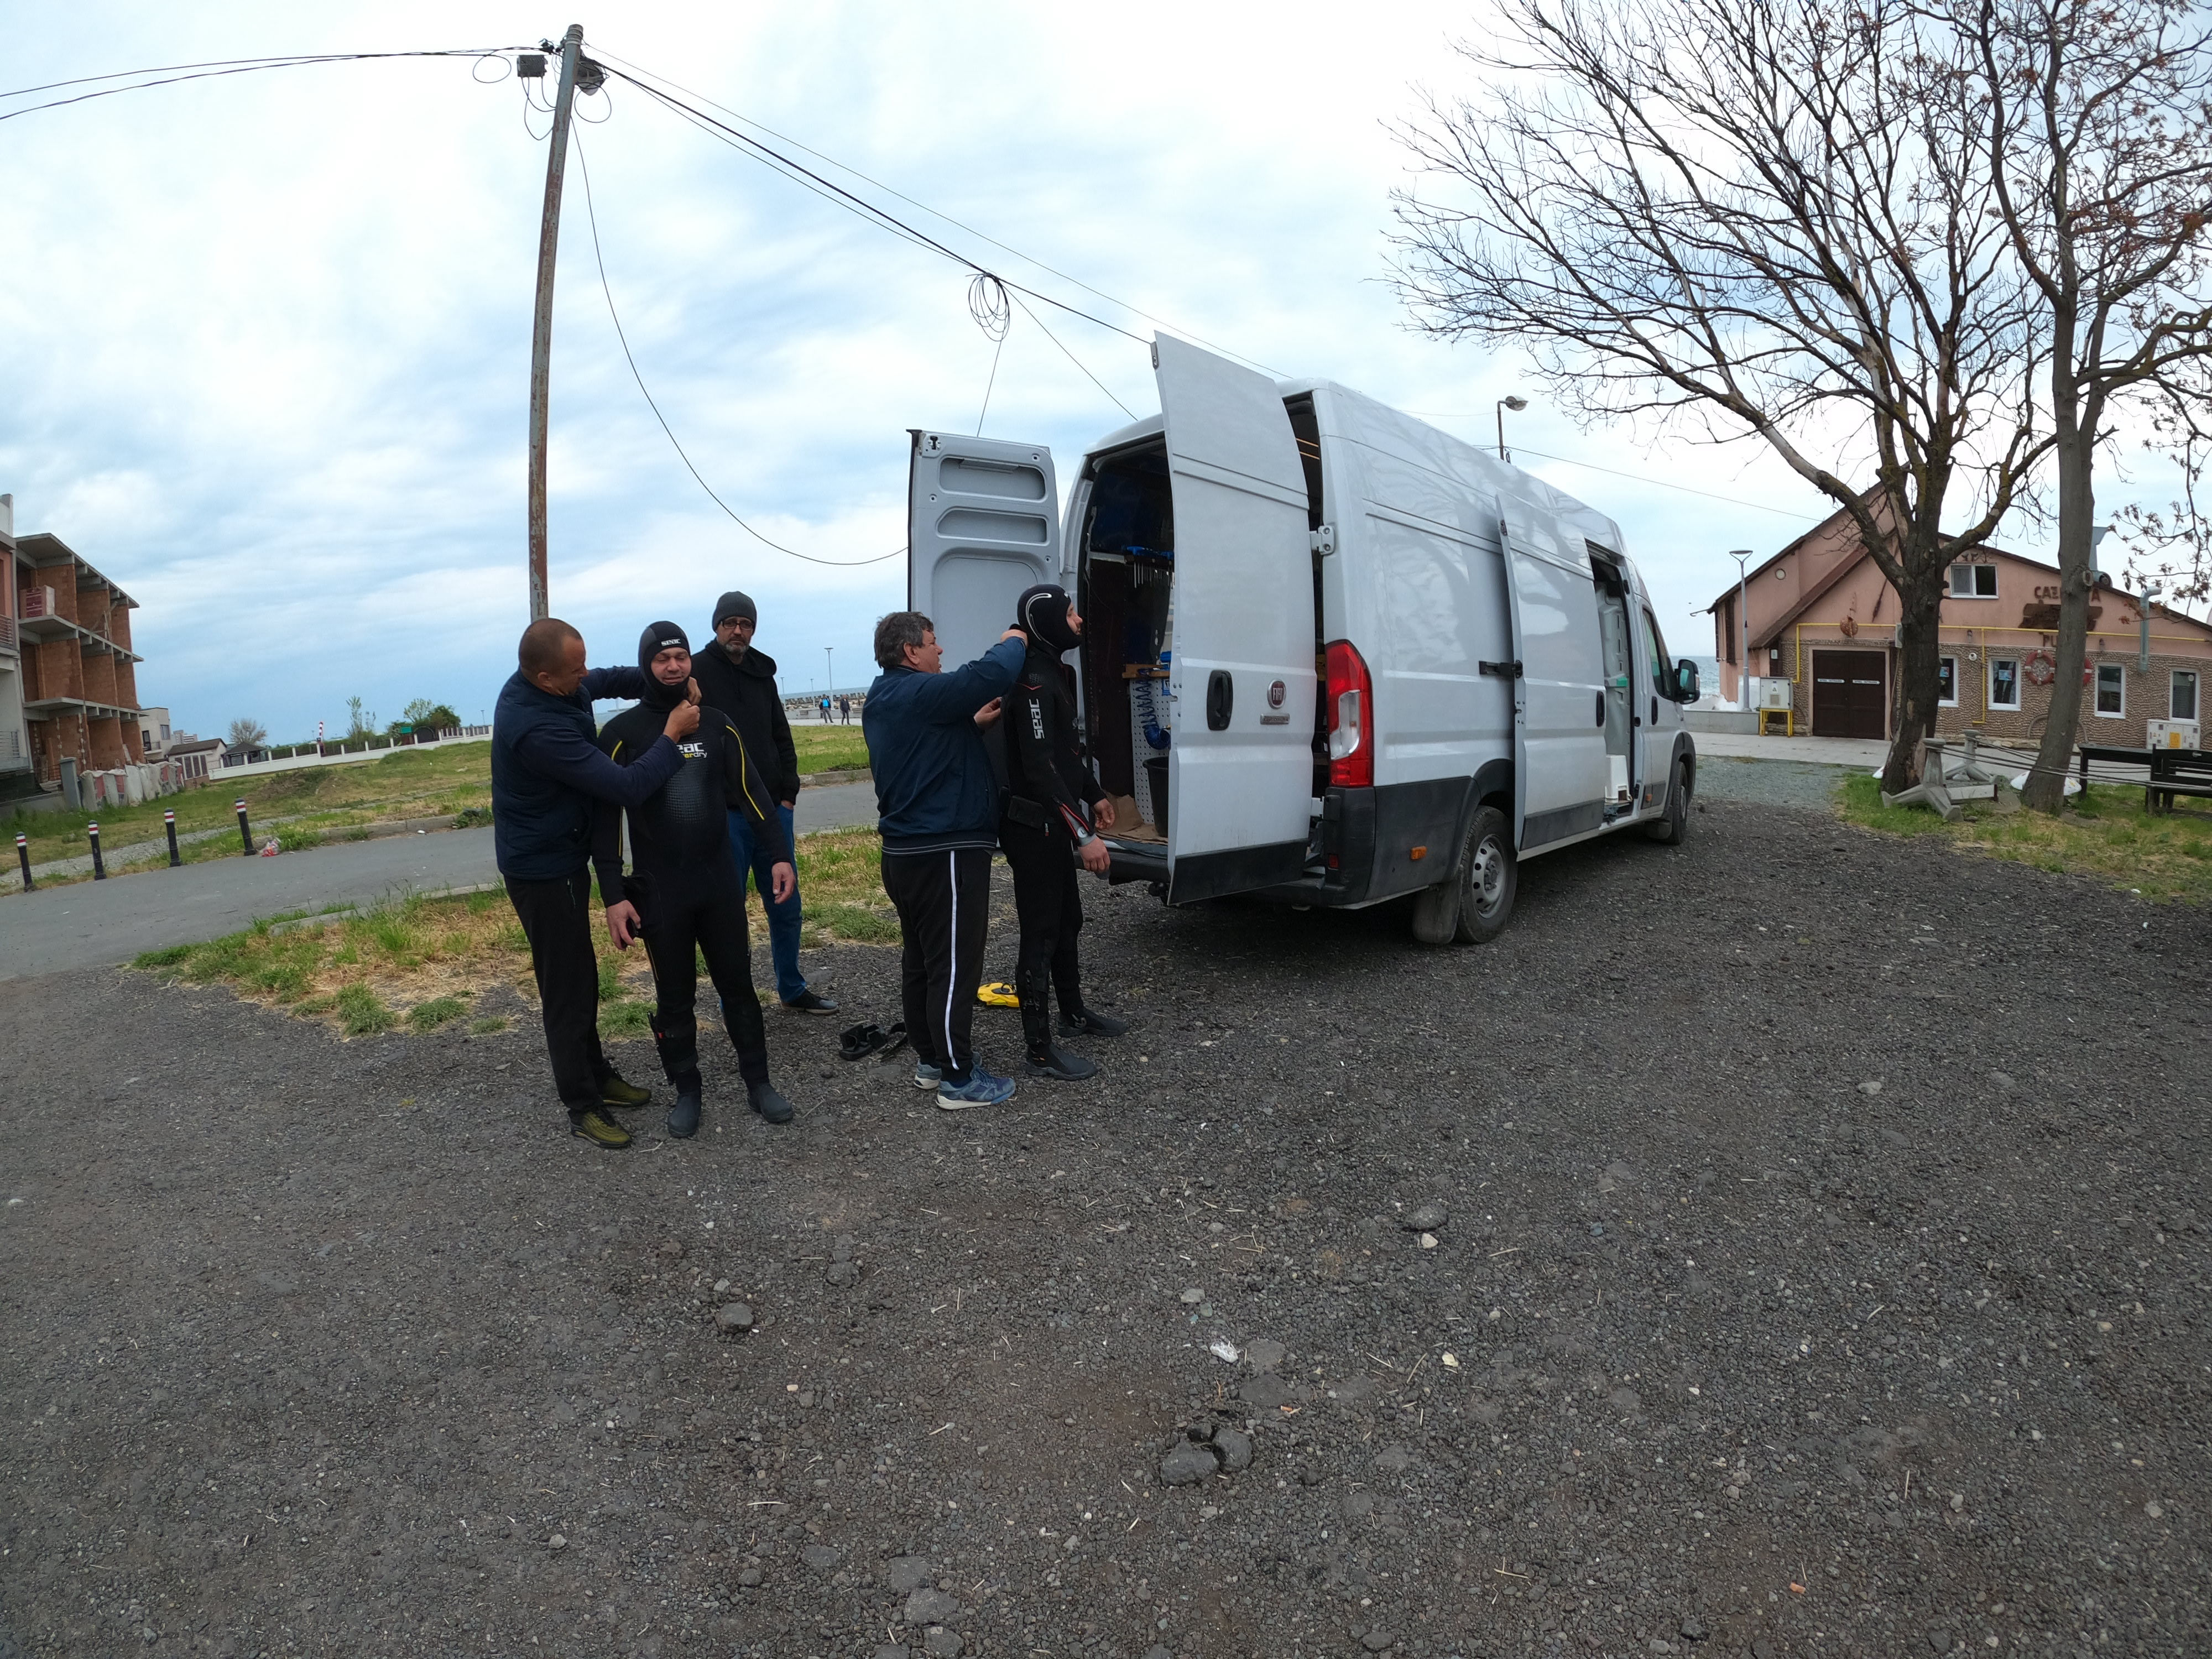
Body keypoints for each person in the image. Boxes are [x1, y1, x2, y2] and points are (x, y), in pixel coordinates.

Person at [491, 616, 699, 1150]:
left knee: (580, 974)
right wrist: (672, 734)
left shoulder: (561, 683)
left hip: (564, 855)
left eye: (583, 663)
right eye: (575, 670)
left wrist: (667, 678)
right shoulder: (536, 728)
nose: (586, 675)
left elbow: (611, 679)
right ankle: (582, 1104)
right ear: (543, 677)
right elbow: (625, 787)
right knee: (567, 987)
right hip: (542, 869)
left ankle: (597, 1073)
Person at [592, 622, 800, 1139]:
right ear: (646, 665)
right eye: (662, 659)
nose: (673, 667)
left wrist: (779, 854)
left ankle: (759, 1082)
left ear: (690, 662)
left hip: (717, 884)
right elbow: (604, 822)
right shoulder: (622, 734)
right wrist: (613, 896)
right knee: (674, 998)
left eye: (681, 657)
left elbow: (752, 793)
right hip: (662, 892)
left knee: (740, 987)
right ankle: (687, 1091)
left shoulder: (717, 725)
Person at [862, 611, 1027, 1109]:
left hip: (905, 855)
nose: (940, 651)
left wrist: (970, 726)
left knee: (922, 963)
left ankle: (932, 1061)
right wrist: (1015, 638)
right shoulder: (921, 691)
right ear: (911, 651)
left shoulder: (884, 696)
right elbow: (988, 674)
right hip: (944, 853)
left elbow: (924, 752)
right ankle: (958, 1078)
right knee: (954, 966)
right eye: (933, 643)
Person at [994, 584, 1130, 1080]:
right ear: (1048, 621)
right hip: (1032, 827)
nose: (1079, 621)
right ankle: (1039, 1050)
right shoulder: (1031, 679)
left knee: (1068, 919)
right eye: (1071, 613)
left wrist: (1095, 795)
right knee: (1042, 932)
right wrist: (1084, 835)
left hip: (1054, 822)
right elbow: (1038, 766)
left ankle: (1073, 1014)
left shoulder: (1057, 671)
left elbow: (1066, 752)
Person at [689, 589, 836, 1016]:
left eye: (746, 624)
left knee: (786, 906)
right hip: (725, 817)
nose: (738, 631)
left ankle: (792, 987)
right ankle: (733, 999)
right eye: (730, 623)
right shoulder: (695, 673)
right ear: (717, 626)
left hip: (772, 814)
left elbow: (781, 736)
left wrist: (788, 795)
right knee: (728, 914)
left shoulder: (762, 675)